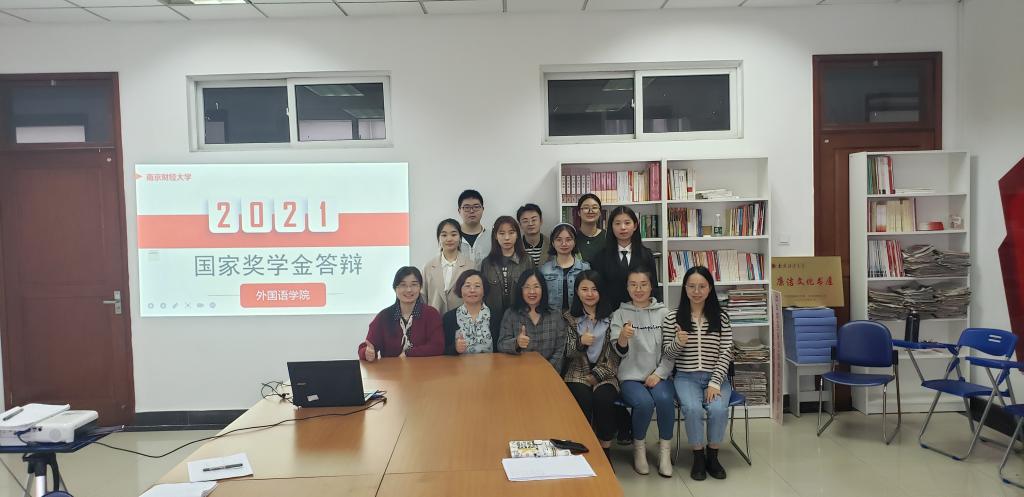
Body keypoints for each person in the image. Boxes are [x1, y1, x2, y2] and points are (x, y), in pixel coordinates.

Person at [662, 266, 733, 481]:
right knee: (692, 409)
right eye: (691, 286)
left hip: (716, 378)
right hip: (686, 377)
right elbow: (667, 355)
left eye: (702, 286)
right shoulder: (672, 318)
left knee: (718, 409)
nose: (696, 291)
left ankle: (713, 456)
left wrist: (715, 383)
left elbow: (726, 352)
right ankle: (698, 457)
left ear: (710, 288)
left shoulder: (721, 318)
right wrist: (678, 342)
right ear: (685, 288)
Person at [611, 267, 674, 477]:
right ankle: (639, 450)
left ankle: (665, 453)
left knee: (664, 399)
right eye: (633, 285)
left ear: (651, 286)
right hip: (630, 376)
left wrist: (659, 374)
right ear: (627, 287)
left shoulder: (664, 313)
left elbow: (671, 351)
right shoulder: (619, 314)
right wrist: (623, 336)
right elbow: (618, 352)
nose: (638, 289)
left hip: (659, 374)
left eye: (643, 285)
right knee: (644, 403)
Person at [562, 270, 619, 460]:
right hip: (577, 372)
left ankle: (605, 450)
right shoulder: (569, 317)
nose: (589, 294)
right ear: (577, 292)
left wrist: (597, 375)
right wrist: (581, 342)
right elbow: (567, 352)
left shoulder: (612, 317)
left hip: (606, 373)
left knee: (604, 400)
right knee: (583, 399)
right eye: (584, 289)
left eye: (594, 289)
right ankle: (582, 448)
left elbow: (615, 354)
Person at [359, 266, 445, 361]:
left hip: (424, 368)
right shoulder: (384, 316)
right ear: (395, 288)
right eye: (403, 285)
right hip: (391, 369)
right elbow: (367, 346)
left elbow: (437, 346)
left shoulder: (431, 314)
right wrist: (367, 353)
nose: (409, 290)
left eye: (414, 285)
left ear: (420, 287)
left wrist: (409, 354)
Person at [497, 269, 566, 372]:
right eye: (527, 287)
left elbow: (560, 349)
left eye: (536, 286)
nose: (532, 292)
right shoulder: (511, 314)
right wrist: (516, 343)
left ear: (543, 289)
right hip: (518, 371)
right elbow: (501, 345)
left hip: (548, 372)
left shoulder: (555, 315)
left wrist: (547, 370)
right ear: (521, 289)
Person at [592, 206, 661, 307]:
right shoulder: (600, 257)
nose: (623, 227)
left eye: (627, 223)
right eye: (617, 223)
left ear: (635, 226)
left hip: (641, 310)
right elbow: (598, 289)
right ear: (611, 227)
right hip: (610, 312)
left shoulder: (646, 255)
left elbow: (654, 287)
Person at [480, 216, 535, 324]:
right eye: (501, 233)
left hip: (521, 316)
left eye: (511, 232)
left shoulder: (527, 260)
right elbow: (483, 294)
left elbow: (533, 290)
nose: (507, 237)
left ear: (517, 235)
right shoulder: (487, 263)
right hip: (493, 318)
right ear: (495, 236)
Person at [422, 218, 476, 315]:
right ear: (439, 238)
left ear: (460, 238)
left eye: (454, 234)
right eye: (444, 235)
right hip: (434, 319)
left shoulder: (470, 266)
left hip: (462, 320)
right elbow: (423, 297)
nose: (449, 239)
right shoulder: (428, 267)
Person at [442, 270, 500, 355]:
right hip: (459, 363)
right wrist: (455, 348)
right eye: (467, 286)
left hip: (490, 363)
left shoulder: (496, 316)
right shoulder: (449, 317)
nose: (472, 290)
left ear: (484, 290)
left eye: (477, 286)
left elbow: (500, 348)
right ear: (460, 289)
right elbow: (443, 350)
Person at [538, 223, 590, 311]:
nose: (564, 244)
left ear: (574, 242)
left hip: (579, 316)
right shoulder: (544, 270)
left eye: (568, 239)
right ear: (553, 243)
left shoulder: (585, 268)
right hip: (551, 316)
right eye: (559, 240)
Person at [457, 189, 491, 265]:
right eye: (467, 207)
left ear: (483, 209)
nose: (472, 211)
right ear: (459, 211)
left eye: (476, 207)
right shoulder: (452, 238)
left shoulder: (492, 237)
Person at [576, 193, 607, 263]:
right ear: (579, 212)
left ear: (600, 212)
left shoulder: (607, 236)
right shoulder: (572, 237)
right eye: (586, 208)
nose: (590, 211)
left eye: (594, 208)